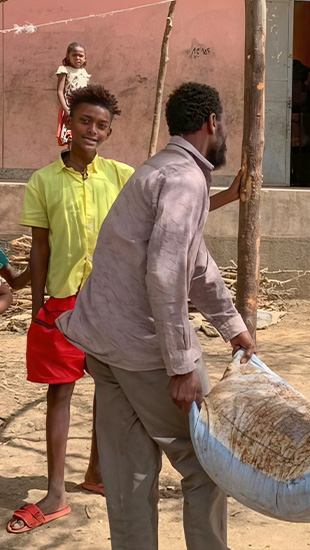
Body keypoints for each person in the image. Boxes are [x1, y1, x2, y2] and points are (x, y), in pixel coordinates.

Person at [55, 82, 256, 550]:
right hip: (143, 350)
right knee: (207, 464)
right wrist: (183, 363)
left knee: (128, 476)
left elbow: (195, 261)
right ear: (212, 124)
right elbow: (167, 274)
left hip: (104, 345)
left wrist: (233, 326)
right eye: (222, 123)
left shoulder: (159, 169)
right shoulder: (184, 179)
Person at [7, 85, 125, 535]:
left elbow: (172, 205)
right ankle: (56, 494)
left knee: (111, 391)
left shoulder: (121, 175)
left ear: (108, 132)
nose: (92, 130)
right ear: (68, 124)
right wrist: (38, 309)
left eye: (101, 125)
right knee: (60, 393)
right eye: (85, 122)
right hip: (61, 304)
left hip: (112, 302)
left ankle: (96, 474)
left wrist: (227, 196)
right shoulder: (42, 181)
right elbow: (40, 249)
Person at [54, 42, 90, 147]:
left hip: (83, 108)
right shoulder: (64, 70)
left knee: (81, 133)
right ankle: (72, 158)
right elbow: (60, 91)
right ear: (68, 57)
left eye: (81, 56)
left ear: (85, 58)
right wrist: (66, 109)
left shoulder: (83, 72)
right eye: (74, 55)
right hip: (70, 107)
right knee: (70, 134)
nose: (78, 58)